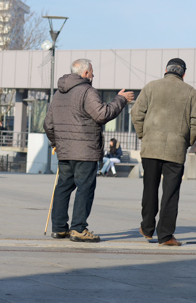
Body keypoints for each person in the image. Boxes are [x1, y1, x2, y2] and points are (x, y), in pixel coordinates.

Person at [44, 59, 134, 243]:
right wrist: (120, 100)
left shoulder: (58, 94)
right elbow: (102, 114)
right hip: (85, 150)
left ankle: (59, 228)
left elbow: (48, 124)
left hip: (65, 150)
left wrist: (56, 142)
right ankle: (78, 228)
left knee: (63, 187)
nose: (93, 75)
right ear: (85, 73)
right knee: (85, 188)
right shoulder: (87, 91)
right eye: (92, 72)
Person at [131, 58, 196, 247]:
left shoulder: (151, 86)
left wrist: (143, 135)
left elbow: (136, 113)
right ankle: (166, 236)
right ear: (183, 73)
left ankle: (147, 228)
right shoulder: (190, 92)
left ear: (165, 70)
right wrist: (186, 141)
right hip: (175, 149)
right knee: (171, 193)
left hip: (151, 146)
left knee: (150, 188)